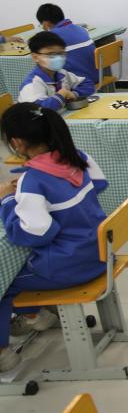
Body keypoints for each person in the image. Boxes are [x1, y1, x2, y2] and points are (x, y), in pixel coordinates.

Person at [0, 103, 109, 371]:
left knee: (5, 281)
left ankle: (4, 352)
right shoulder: (77, 156)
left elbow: (35, 233)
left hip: (70, 266)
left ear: (17, 142)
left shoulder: (33, 181)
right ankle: (35, 315)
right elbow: (99, 184)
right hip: (101, 253)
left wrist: (7, 200)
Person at [18, 31, 95, 111]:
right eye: (50, 54)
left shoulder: (62, 73)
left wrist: (74, 94)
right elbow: (40, 110)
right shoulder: (32, 84)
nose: (58, 58)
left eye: (61, 53)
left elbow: (87, 84)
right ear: (35, 57)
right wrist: (62, 94)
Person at [35, 3, 97, 84]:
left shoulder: (51, 37)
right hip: (97, 76)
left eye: (41, 24)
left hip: (79, 81)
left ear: (45, 23)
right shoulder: (81, 29)